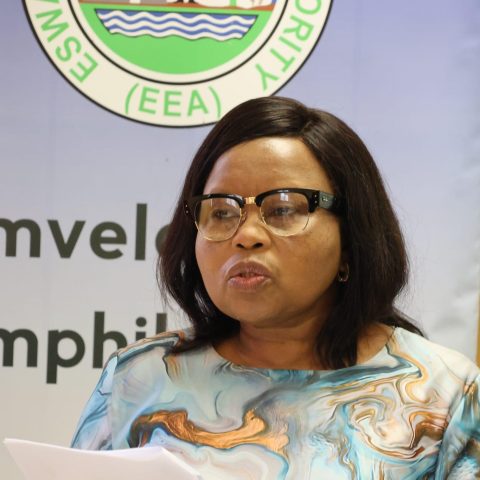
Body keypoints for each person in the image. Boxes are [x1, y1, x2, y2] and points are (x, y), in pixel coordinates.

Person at [71, 96, 480, 479]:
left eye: (283, 209)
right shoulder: (139, 378)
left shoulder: (446, 394)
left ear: (351, 238)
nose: (246, 235)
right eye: (221, 212)